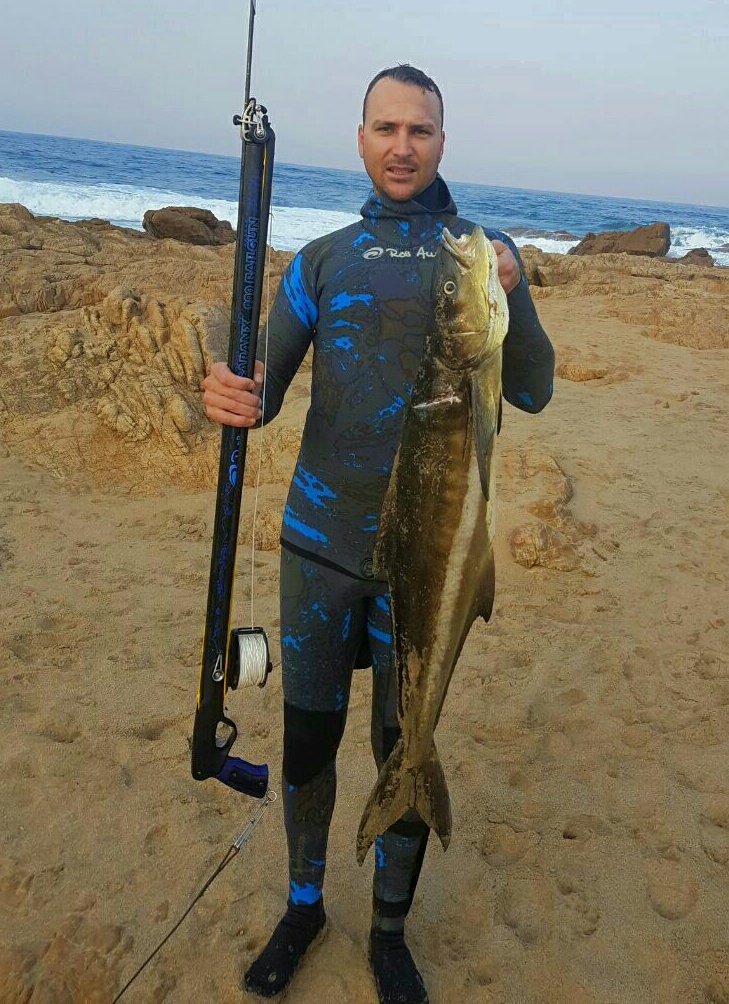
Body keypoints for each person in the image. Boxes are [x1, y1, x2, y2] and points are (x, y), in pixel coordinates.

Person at [203, 65, 555, 1004]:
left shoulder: (483, 256)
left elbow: (531, 389)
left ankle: (389, 932)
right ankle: (305, 905)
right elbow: (261, 394)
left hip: (427, 566)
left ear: (442, 141)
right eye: (386, 128)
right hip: (317, 547)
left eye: (420, 130)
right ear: (360, 139)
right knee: (309, 740)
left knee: (405, 738)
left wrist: (515, 290)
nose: (403, 147)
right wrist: (228, 394)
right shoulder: (320, 262)